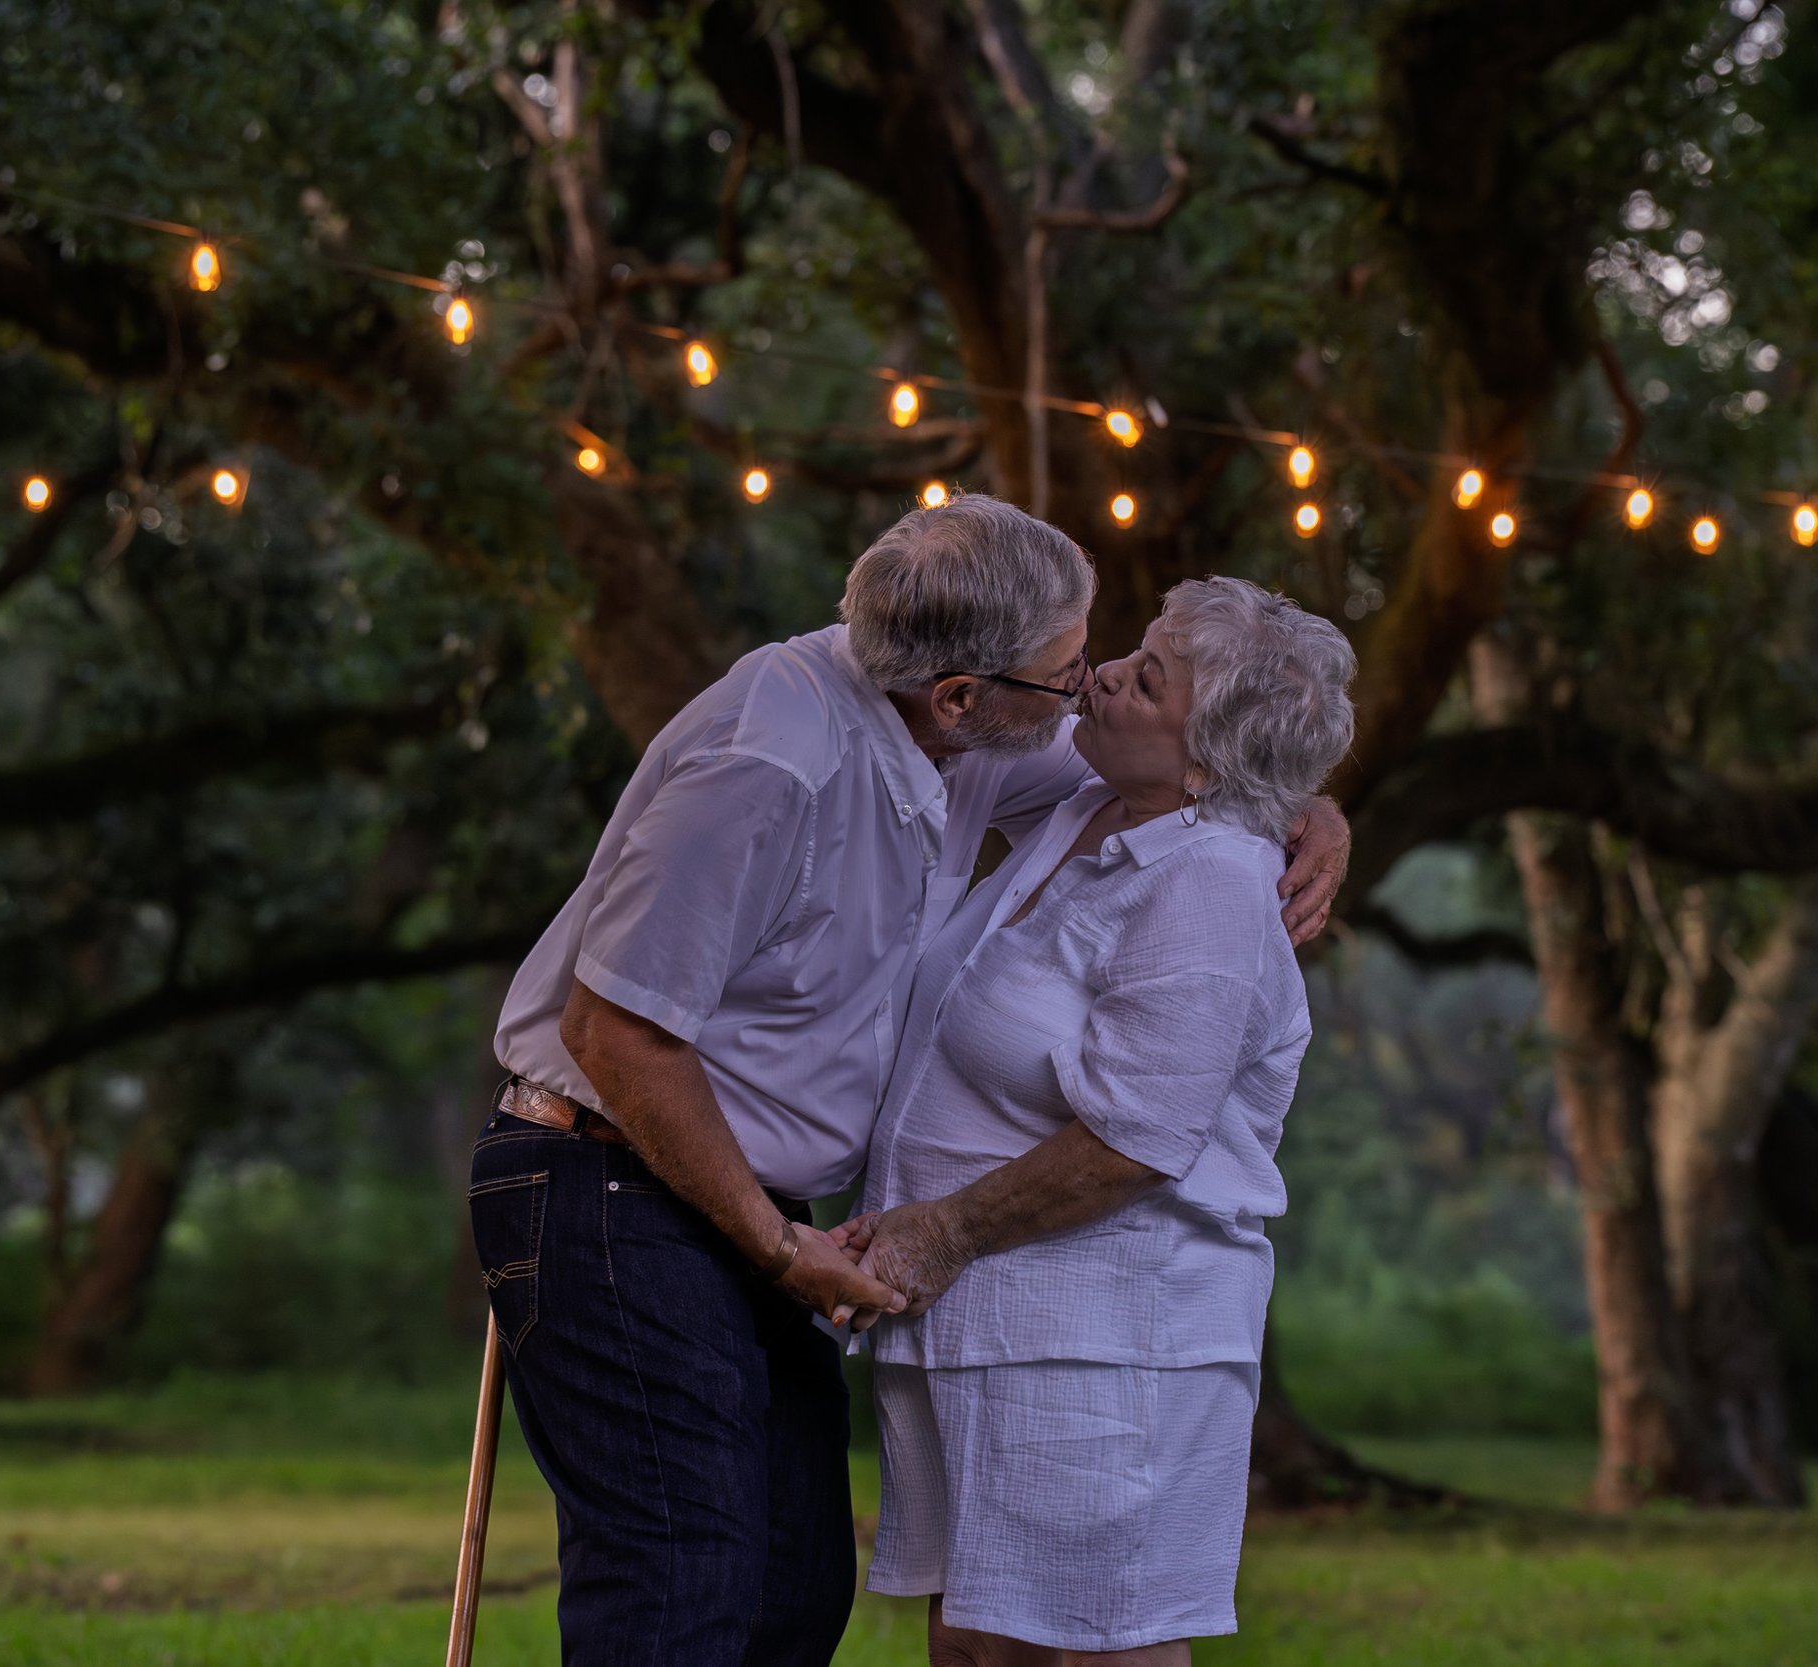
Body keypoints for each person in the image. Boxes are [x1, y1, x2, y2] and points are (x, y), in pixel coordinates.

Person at [468, 498, 1350, 1666]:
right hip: (608, 1171)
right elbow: (614, 1031)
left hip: (747, 1208)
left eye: (1112, 664)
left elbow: (1207, 780)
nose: (1085, 686)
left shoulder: (974, 740)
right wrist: (785, 1248)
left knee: (790, 1585)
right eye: (1070, 668)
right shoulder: (772, 759)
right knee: (684, 1579)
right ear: (959, 691)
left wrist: (1301, 802)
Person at [841, 576, 1358, 1667]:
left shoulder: (1210, 881)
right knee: (976, 1641)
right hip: (988, 1330)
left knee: (1091, 1646)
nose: (1105, 670)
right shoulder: (1094, 803)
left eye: (1148, 678)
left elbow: (1134, 1142)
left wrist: (941, 1231)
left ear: (1206, 757)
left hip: (1107, 1345)